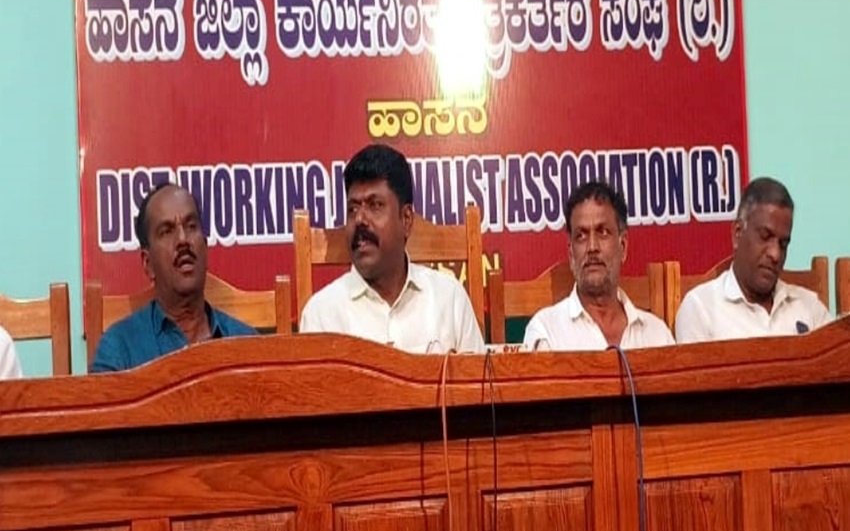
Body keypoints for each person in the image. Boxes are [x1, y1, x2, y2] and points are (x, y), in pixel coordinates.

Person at [300, 144, 485, 353]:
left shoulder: (449, 299)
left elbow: (478, 375)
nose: (359, 219)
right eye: (352, 209)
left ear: (406, 219)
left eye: (375, 205)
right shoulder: (321, 316)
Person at [90, 183, 256, 372]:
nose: (183, 239)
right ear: (148, 263)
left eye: (191, 226)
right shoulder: (120, 349)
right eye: (166, 231)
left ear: (205, 247)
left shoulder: (248, 345)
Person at [675, 177, 831, 343]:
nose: (775, 254)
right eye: (765, 236)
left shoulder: (809, 307)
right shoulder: (701, 308)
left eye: (783, 244)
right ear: (737, 233)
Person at [523, 181, 674, 351]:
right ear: (571, 253)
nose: (592, 247)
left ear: (623, 246)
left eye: (603, 232)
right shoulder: (547, 331)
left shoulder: (657, 336)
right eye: (581, 236)